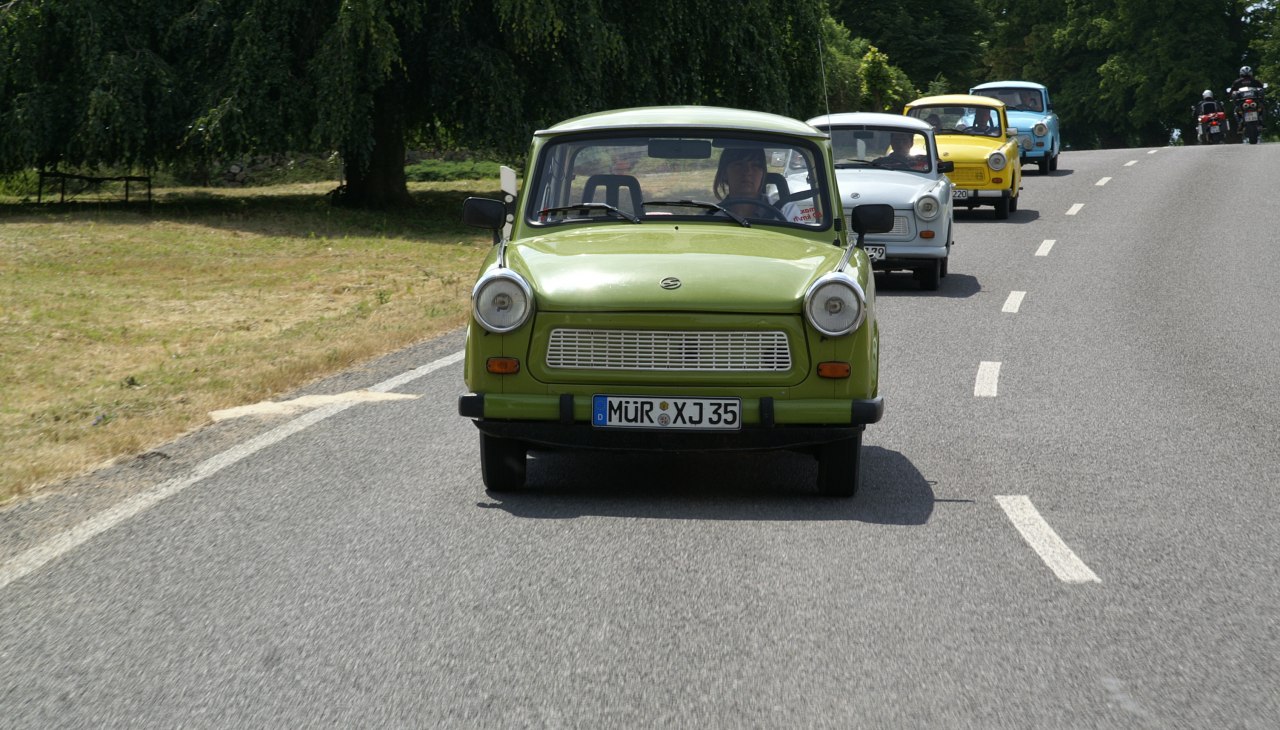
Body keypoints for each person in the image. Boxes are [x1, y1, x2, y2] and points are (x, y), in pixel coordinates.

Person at [714, 147, 821, 224]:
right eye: (739, 165)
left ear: (763, 174)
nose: (747, 171)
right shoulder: (711, 216)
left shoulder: (787, 212)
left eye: (756, 165)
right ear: (724, 173)